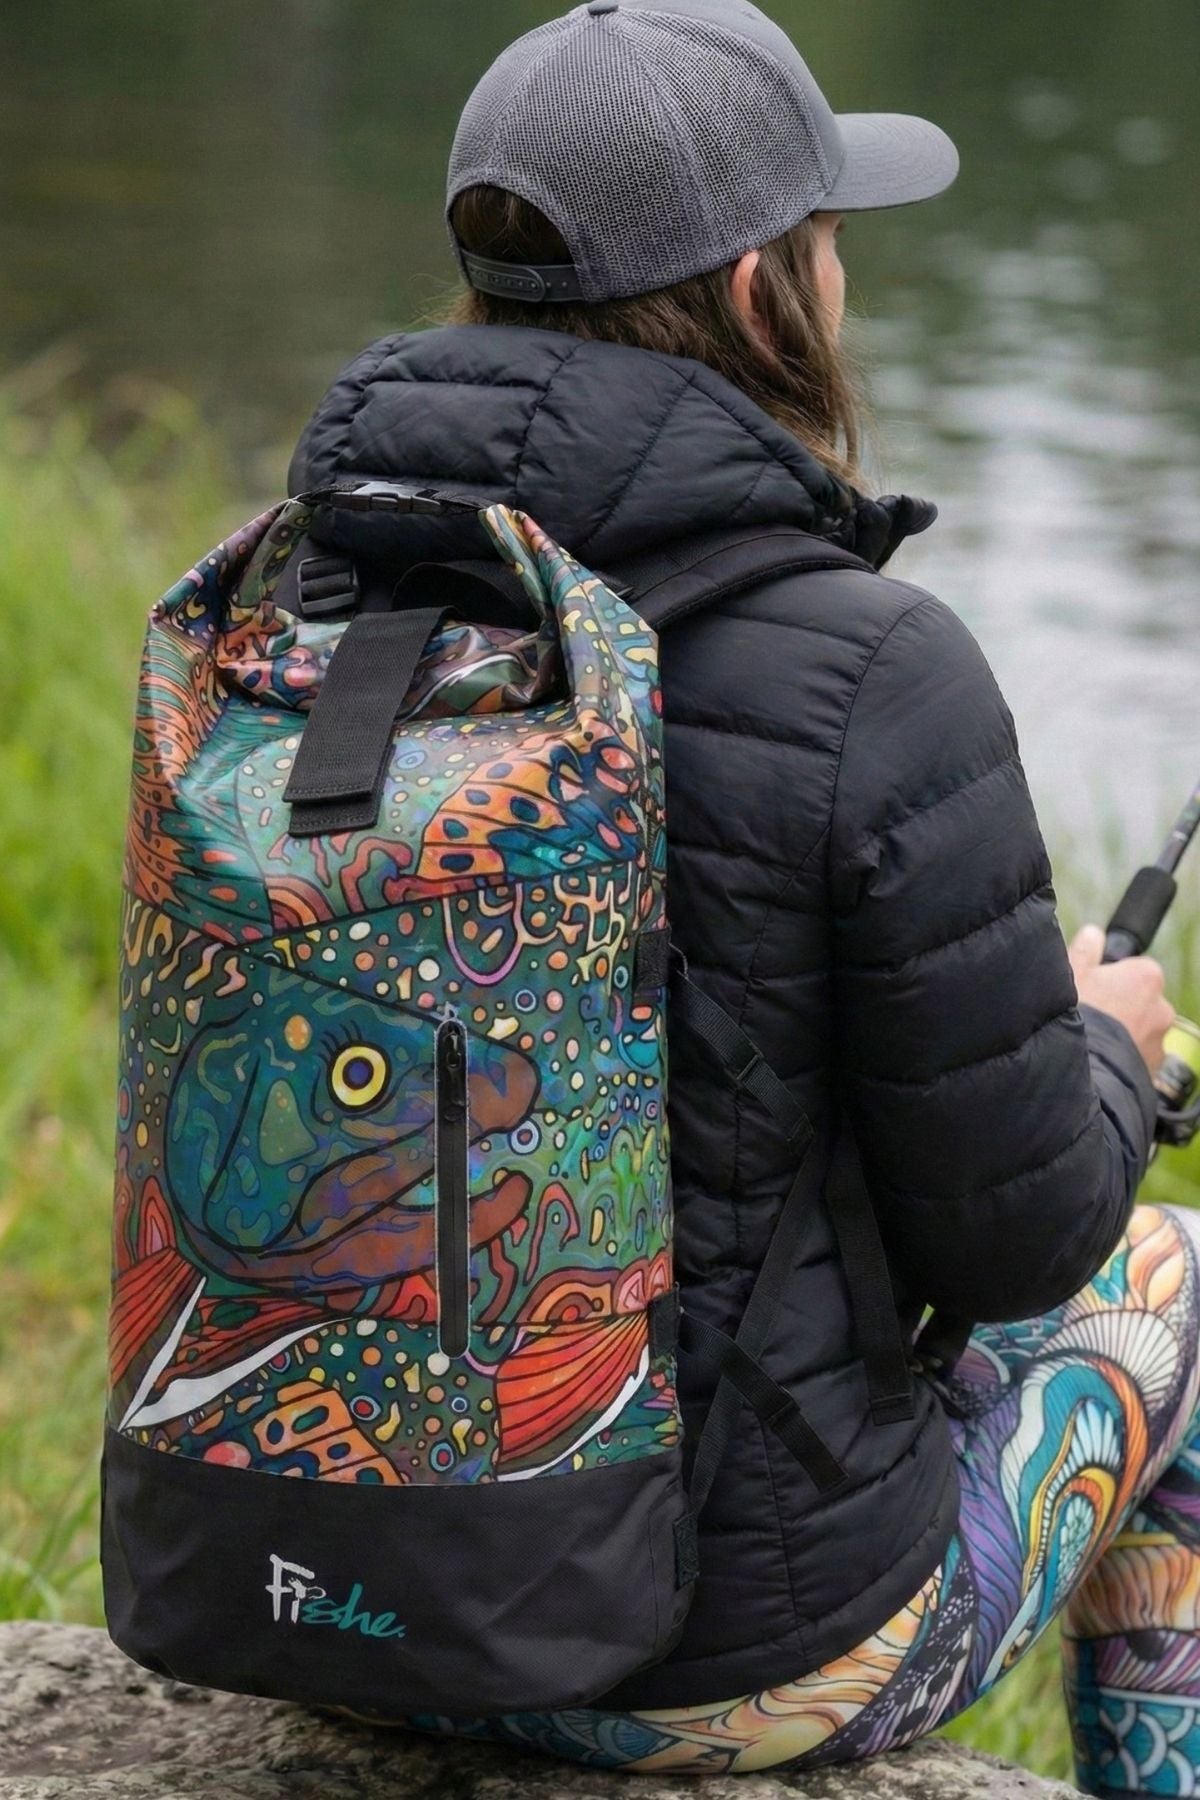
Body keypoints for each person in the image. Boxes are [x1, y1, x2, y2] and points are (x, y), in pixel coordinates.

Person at [287, 2, 1196, 1789]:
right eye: (836, 239)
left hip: (322, 1602)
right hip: (718, 1647)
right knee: (1180, 1289)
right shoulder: (873, 671)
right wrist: (1104, 1049)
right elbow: (1019, 1245)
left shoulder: (309, 616)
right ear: (769, 293)